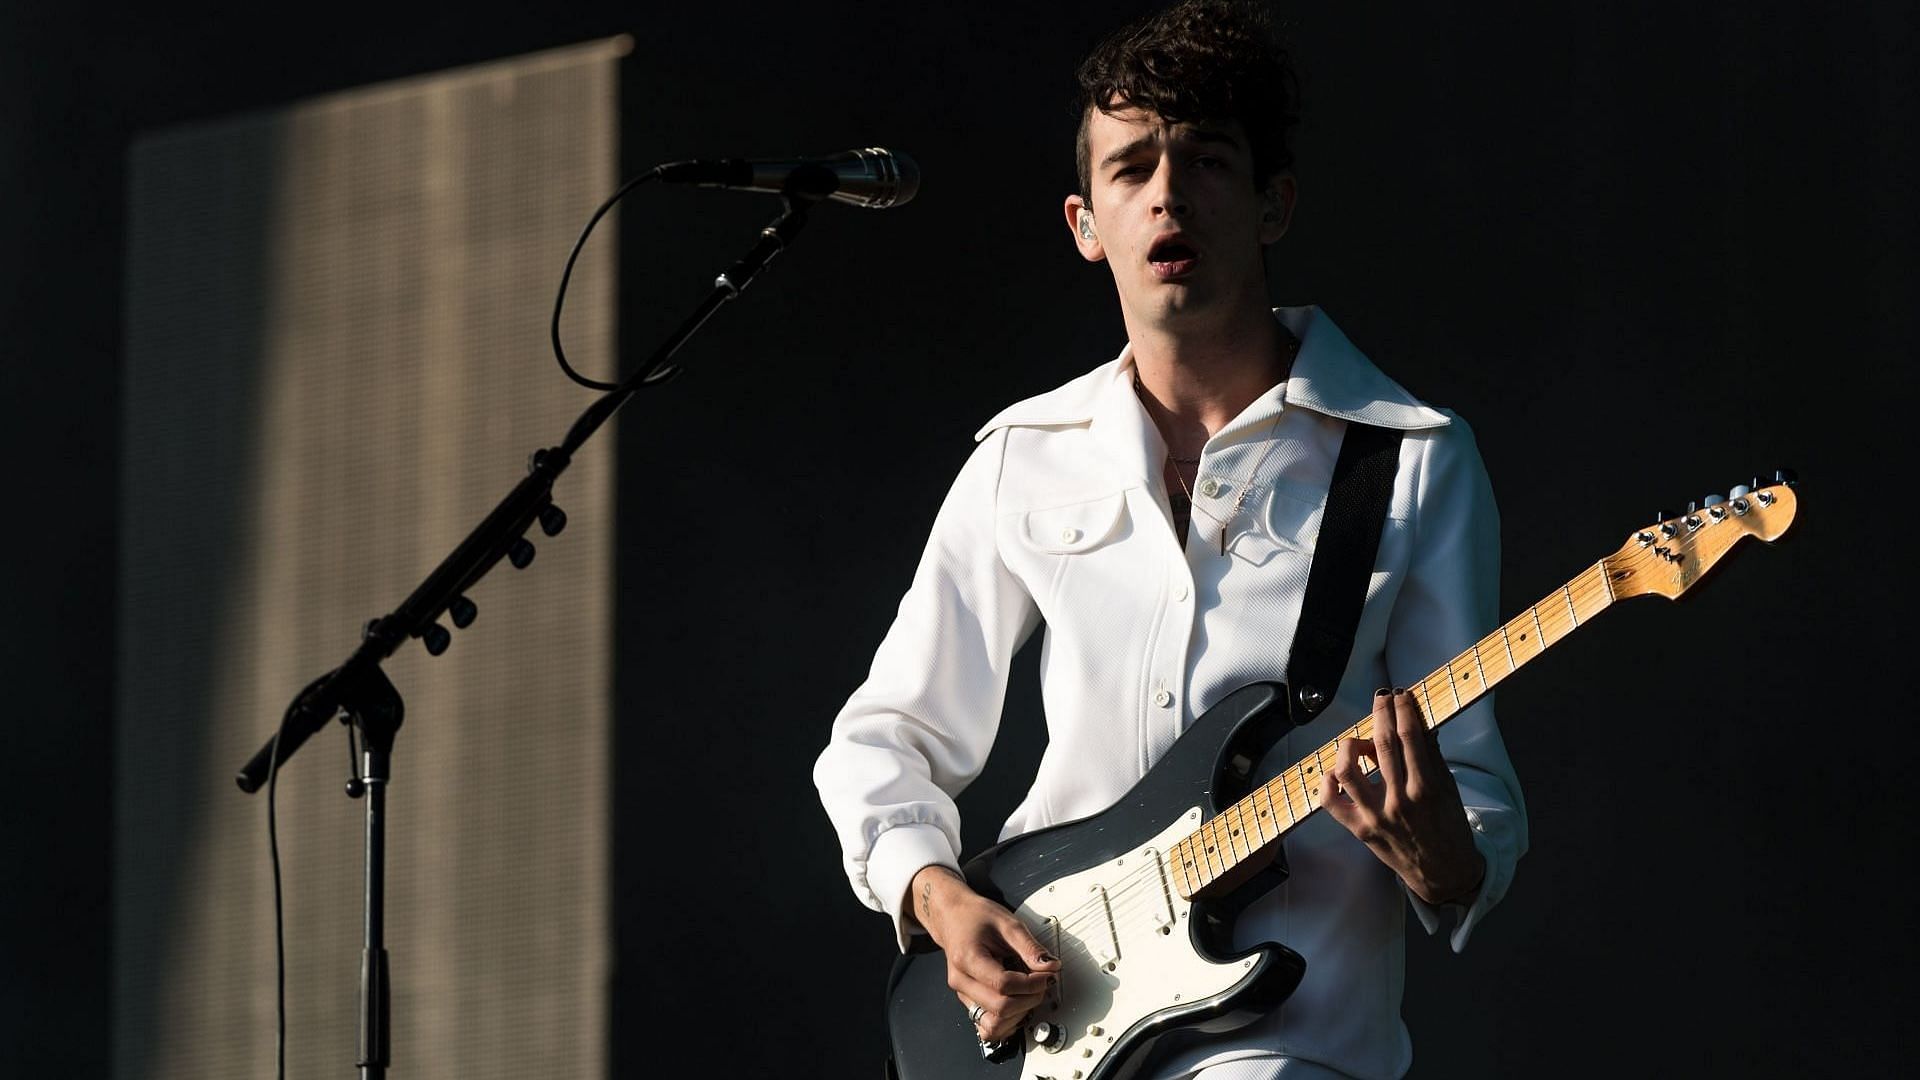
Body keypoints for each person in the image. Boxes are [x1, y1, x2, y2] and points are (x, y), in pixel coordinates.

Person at [812, 2, 1527, 1077]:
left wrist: (1445, 864)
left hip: (1289, 1046)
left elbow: (1471, 794)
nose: (1166, 193)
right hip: (1056, 1030)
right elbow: (882, 740)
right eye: (1132, 167)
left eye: (1206, 162)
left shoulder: (1410, 461)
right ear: (1084, 222)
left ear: (1272, 203)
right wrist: (939, 896)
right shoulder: (1025, 456)